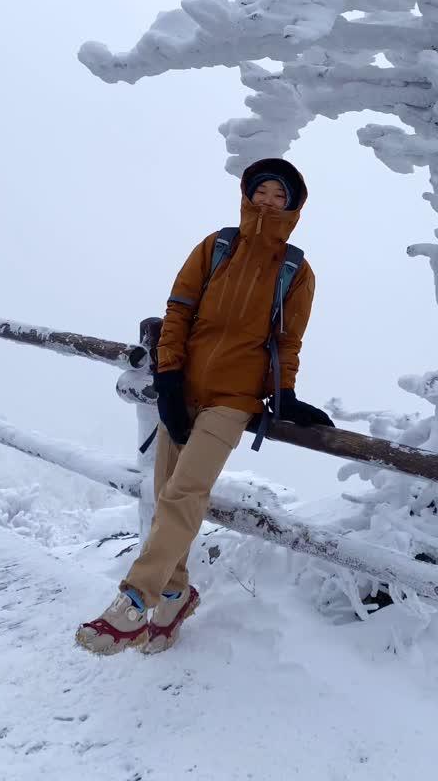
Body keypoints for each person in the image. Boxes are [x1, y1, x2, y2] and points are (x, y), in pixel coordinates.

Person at [75, 158, 333, 656]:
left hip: (234, 402)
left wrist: (285, 397)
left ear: (293, 205)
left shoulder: (296, 270)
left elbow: (288, 341)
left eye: (280, 195)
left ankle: (133, 602)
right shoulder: (216, 247)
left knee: (185, 490)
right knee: (167, 492)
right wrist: (168, 379)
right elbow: (178, 311)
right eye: (262, 191)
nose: (268, 201)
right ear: (248, 194)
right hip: (184, 390)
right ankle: (174, 599)